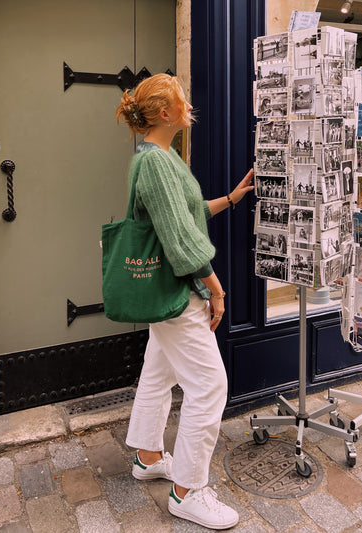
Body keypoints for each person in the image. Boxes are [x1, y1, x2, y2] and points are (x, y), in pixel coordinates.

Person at [115, 73, 253, 530]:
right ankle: (188, 491)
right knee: (210, 386)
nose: (188, 105)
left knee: (159, 371)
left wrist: (230, 199)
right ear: (163, 112)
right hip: (180, 293)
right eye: (181, 100)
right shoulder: (154, 162)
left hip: (169, 293)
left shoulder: (161, 155)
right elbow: (179, 240)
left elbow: (185, 214)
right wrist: (215, 289)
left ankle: (147, 456)